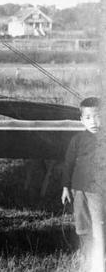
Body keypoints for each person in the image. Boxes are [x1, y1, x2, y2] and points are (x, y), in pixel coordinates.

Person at [61, 97, 104, 266]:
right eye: (88, 117)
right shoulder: (77, 140)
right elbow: (68, 163)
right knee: (82, 225)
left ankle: (99, 260)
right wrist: (65, 187)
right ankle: (87, 254)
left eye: (98, 116)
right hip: (79, 189)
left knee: (99, 225)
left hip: (98, 191)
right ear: (81, 120)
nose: (93, 121)